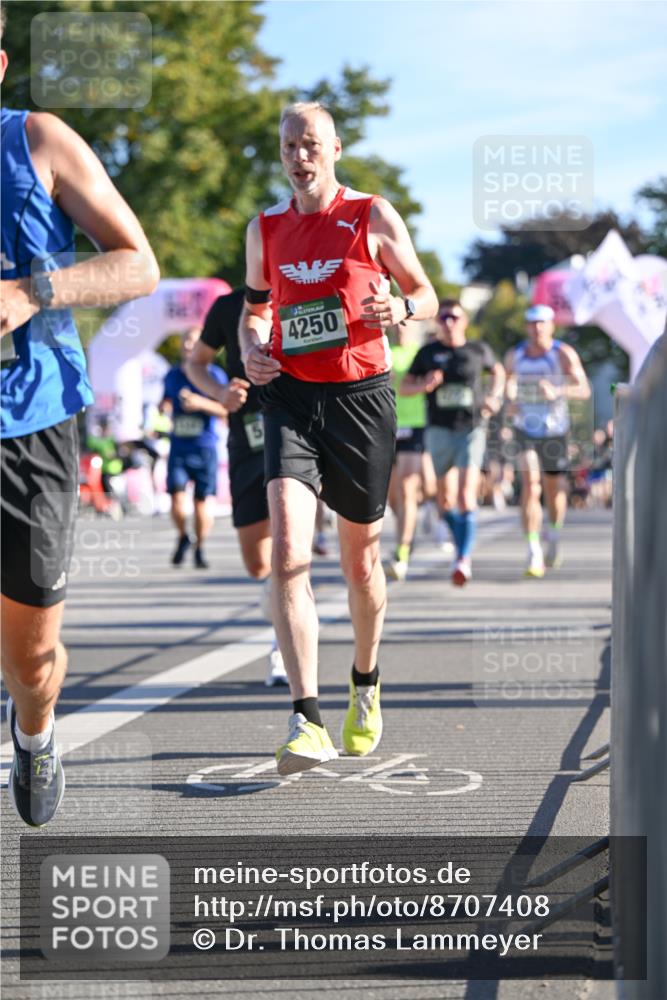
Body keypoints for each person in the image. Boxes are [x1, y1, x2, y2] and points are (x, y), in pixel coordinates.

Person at [240, 102, 437, 775]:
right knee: (290, 551)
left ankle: (365, 678)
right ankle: (306, 717)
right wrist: (252, 350)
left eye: (311, 144)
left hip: (361, 398)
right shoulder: (263, 228)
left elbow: (426, 294)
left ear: (335, 148)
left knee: (359, 565)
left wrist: (402, 308)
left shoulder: (371, 215)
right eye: (289, 144)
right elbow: (254, 311)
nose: (300, 156)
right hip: (290, 397)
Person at [0, 13, 160, 828]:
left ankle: (34, 731)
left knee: (30, 658)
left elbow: (139, 263)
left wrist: (30, 293)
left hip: (30, 422)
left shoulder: (37, 139)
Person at [185, 288, 288, 686]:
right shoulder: (228, 306)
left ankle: (283, 646)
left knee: (288, 544)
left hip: (298, 430)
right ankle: (278, 598)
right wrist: (219, 394)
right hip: (248, 437)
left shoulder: (306, 283)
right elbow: (198, 363)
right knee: (259, 563)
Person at [401, 299, 504, 586]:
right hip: (438, 430)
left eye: (454, 317)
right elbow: (405, 387)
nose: (448, 322)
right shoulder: (427, 353)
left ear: (464, 321)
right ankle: (460, 543)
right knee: (443, 500)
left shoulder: (477, 350)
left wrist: (495, 396)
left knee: (465, 495)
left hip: (471, 428)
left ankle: (462, 558)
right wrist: (424, 385)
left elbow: (498, 372)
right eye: (443, 317)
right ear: (437, 322)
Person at [504, 303, 591, 577]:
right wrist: (510, 403)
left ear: (551, 325)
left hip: (555, 430)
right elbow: (506, 385)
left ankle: (553, 535)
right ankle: (533, 552)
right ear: (526, 327)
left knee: (555, 490)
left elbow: (584, 389)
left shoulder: (562, 353)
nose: (537, 328)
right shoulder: (515, 355)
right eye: (532, 323)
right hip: (524, 429)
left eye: (542, 322)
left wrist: (558, 391)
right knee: (530, 484)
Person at [161, 327, 227, 570]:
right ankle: (182, 536)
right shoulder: (172, 375)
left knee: (201, 503)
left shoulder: (215, 375)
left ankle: (200, 546)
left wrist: (201, 403)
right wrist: (164, 410)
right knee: (176, 499)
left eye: (194, 342)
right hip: (179, 447)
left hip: (205, 447)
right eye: (185, 342)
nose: (188, 347)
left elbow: (226, 410)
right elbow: (165, 401)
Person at [385, 323, 427, 581]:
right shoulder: (384, 350)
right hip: (387, 425)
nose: (401, 330)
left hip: (415, 425)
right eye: (397, 325)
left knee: (407, 489)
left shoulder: (421, 355)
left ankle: (402, 551)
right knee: (391, 497)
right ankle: (407, 529)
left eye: (405, 325)